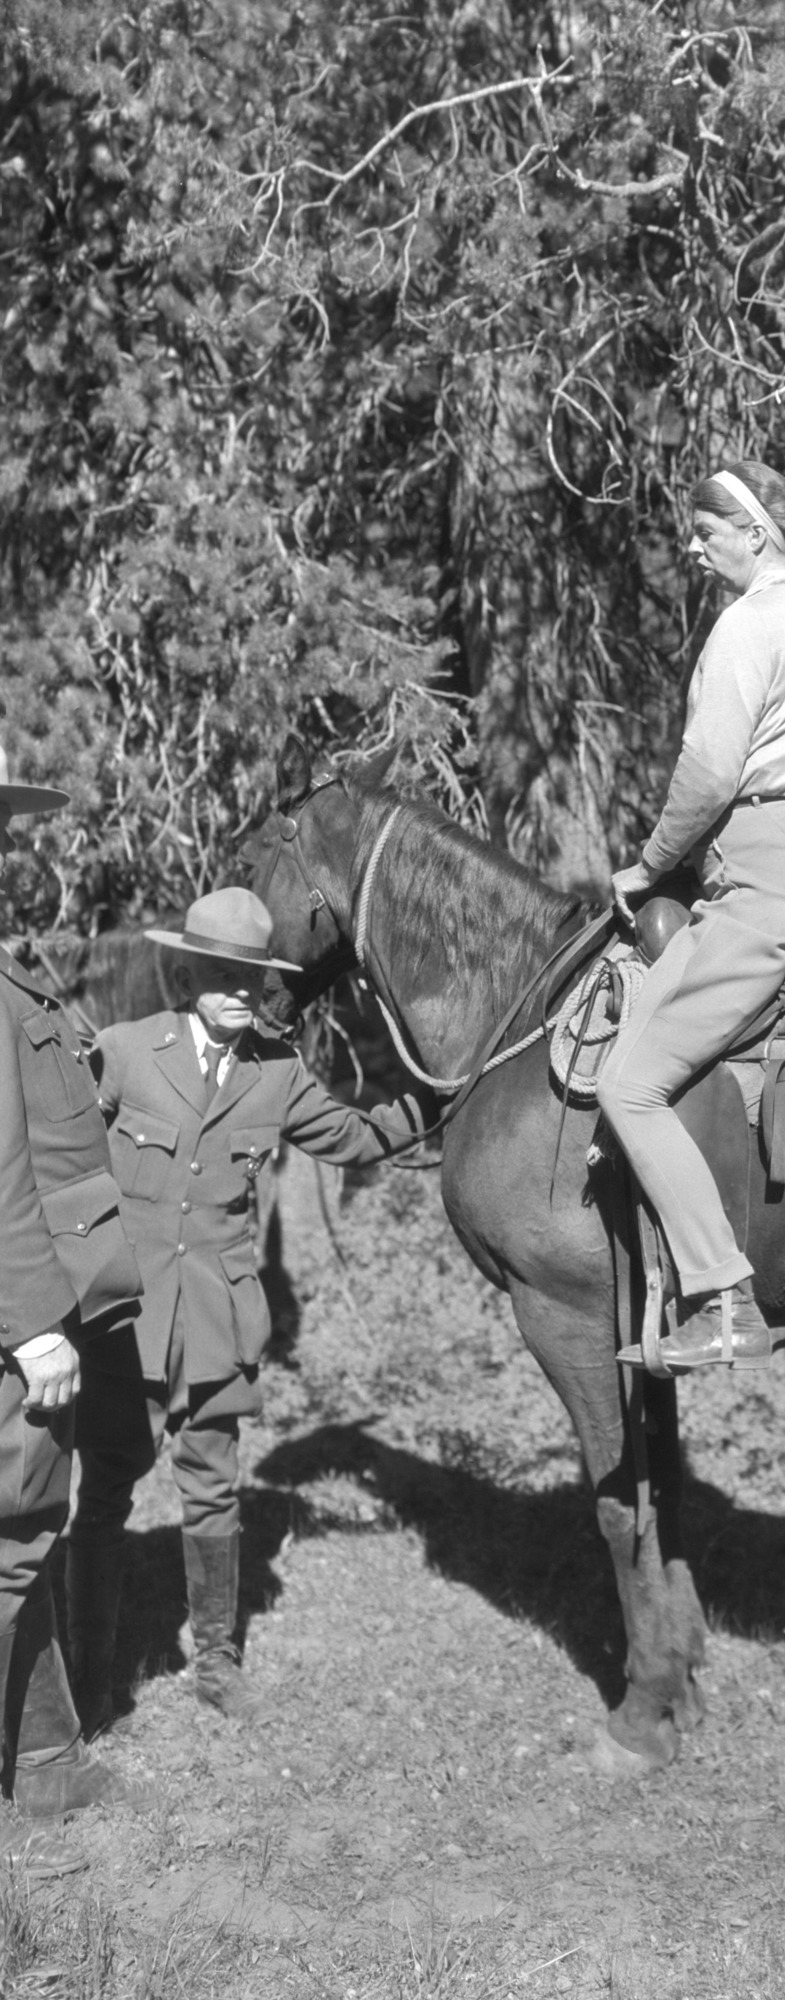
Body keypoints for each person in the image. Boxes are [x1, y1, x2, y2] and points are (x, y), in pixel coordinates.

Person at [66, 887, 427, 1735]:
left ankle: (218, 1660)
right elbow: (61, 1157)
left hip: (218, 1323)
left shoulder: (278, 1074)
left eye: (253, 978)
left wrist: (440, 1096)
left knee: (214, 1491)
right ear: (188, 971)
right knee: (106, 1491)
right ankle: (89, 1663)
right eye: (221, 974)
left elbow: (358, 1139)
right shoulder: (123, 1053)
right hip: (125, 1321)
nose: (237, 991)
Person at [599, 462, 785, 1372]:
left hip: (767, 871)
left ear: (754, 533)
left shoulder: (750, 622)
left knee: (626, 1085)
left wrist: (646, 864)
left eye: (705, 530)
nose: (692, 544)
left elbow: (710, 773)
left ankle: (721, 1299)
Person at [1, 745, 153, 1881]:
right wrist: (32, 1320)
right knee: (8, 1544)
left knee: (23, 1540)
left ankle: (47, 1757)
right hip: (19, 1316)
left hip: (42, 1296)